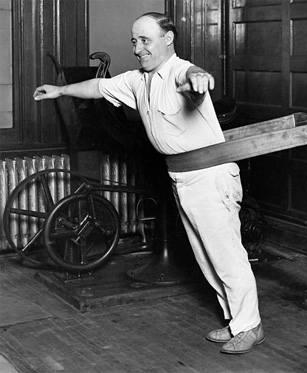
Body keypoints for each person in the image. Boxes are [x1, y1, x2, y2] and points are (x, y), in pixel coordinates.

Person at [33, 12, 264, 354]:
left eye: (146, 40)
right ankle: (237, 322)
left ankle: (250, 326)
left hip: (209, 175)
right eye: (134, 41)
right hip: (182, 176)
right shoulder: (138, 80)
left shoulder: (178, 72)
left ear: (167, 39)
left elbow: (192, 76)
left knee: (226, 254)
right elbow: (99, 87)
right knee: (205, 256)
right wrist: (60, 90)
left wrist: (198, 78)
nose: (138, 48)